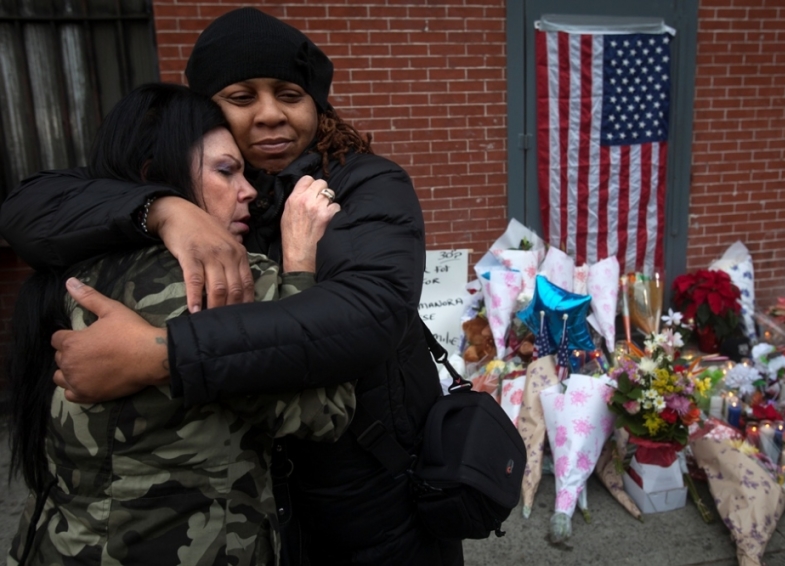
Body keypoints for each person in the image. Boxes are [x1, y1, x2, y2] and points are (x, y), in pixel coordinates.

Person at [0, 7, 463, 566]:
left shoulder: (363, 185)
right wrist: (164, 210)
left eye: (290, 95)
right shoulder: (186, 202)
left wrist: (164, 352)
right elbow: (28, 207)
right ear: (203, 112)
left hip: (363, 494)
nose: (269, 115)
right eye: (241, 98)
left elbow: (366, 316)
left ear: (318, 105)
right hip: (254, 508)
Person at [5, 83, 352, 565]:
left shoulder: (71, 266)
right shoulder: (225, 281)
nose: (249, 190)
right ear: (156, 177)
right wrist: (298, 267)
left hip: (58, 546)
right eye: (226, 171)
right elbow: (326, 410)